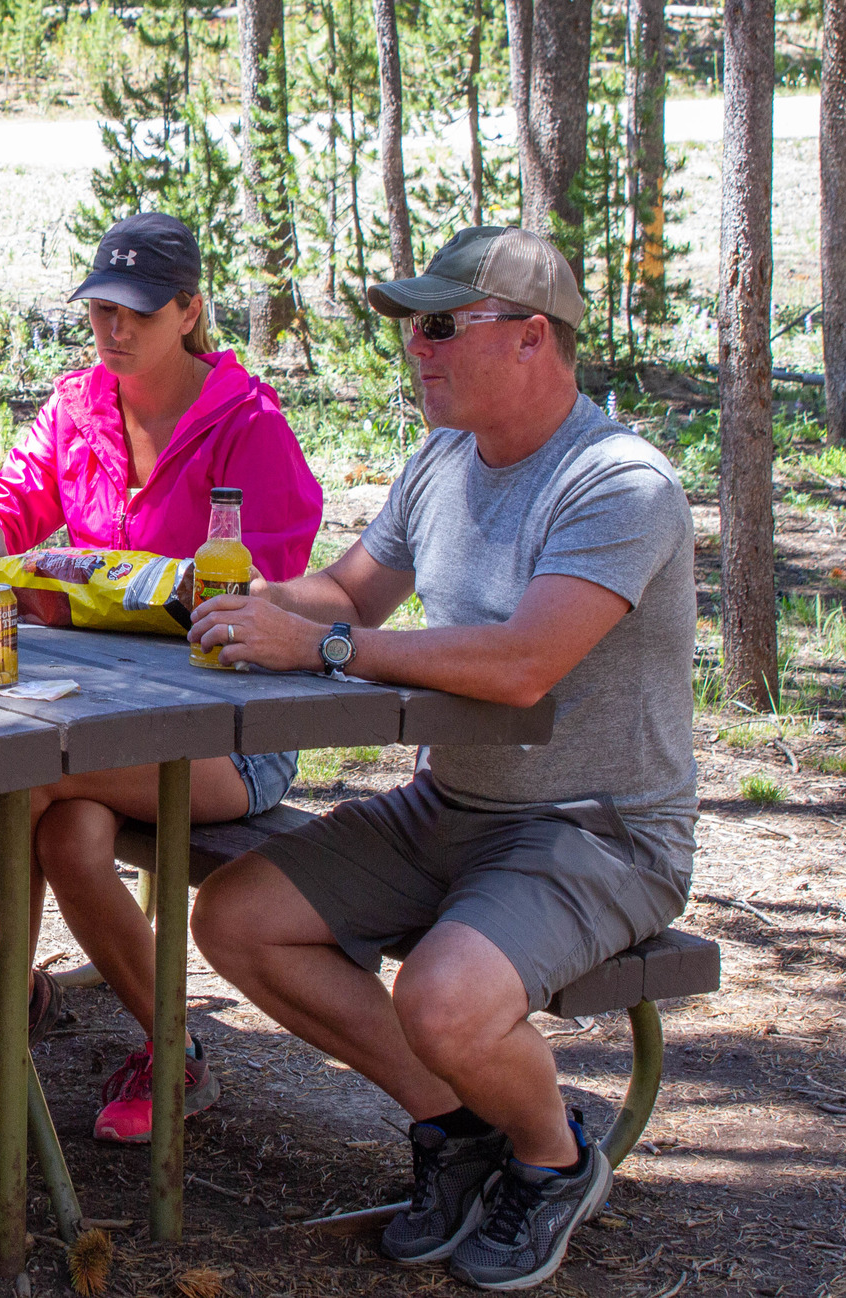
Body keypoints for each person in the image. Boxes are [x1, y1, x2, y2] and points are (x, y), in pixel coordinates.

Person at [184, 227, 696, 1291]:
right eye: (407, 327)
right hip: (452, 803)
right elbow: (351, 593)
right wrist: (259, 599)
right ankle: (459, 1127)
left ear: (530, 337)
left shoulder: (618, 482)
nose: (412, 347)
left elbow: (520, 664)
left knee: (440, 995)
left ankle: (553, 1157)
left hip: (595, 831)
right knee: (235, 915)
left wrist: (322, 646)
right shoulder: (442, 459)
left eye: (435, 325)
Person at [0, 213, 323, 1145]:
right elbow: (13, 492)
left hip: (233, 731)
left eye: (137, 312)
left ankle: (3, 1008)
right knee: (61, 832)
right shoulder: (78, 407)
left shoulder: (250, 424)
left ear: (189, 309)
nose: (114, 331)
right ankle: (163, 1047)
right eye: (101, 309)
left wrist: (138, 588)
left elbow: (277, 581)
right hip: (109, 723)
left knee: (25, 770)